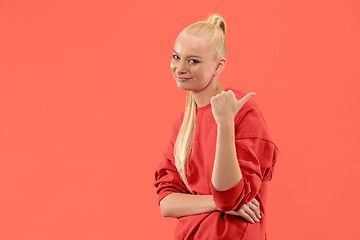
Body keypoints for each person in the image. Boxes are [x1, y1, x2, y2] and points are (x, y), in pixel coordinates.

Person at [153, 13, 279, 240]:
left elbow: (230, 196)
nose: (180, 68)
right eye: (176, 56)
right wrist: (215, 203)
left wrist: (224, 123)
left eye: (193, 61)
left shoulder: (241, 110)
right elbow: (167, 203)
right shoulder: (183, 124)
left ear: (218, 65)